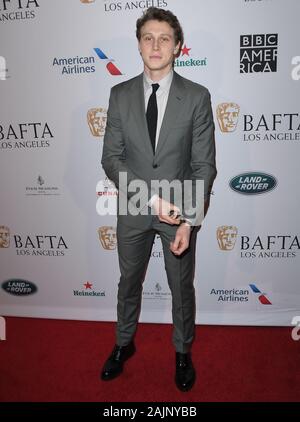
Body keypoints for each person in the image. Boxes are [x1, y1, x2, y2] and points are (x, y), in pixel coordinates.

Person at [100, 7, 216, 392]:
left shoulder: (197, 97)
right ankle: (122, 344)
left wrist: (188, 220)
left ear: (178, 47)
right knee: (128, 281)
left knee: (181, 286)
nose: (155, 45)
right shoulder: (118, 94)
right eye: (148, 37)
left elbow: (204, 166)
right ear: (138, 44)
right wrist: (149, 200)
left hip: (180, 209)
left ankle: (182, 352)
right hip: (135, 208)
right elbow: (110, 158)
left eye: (164, 38)